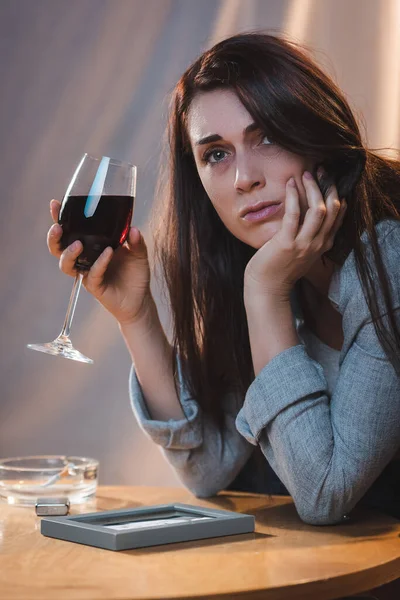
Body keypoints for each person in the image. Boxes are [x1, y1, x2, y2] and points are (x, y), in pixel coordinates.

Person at [47, 33, 400, 532]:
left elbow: (324, 494)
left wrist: (265, 294)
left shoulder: (389, 260)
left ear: (320, 138)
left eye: (268, 137)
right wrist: (137, 315)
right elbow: (208, 468)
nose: (244, 178)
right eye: (216, 154)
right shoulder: (255, 263)